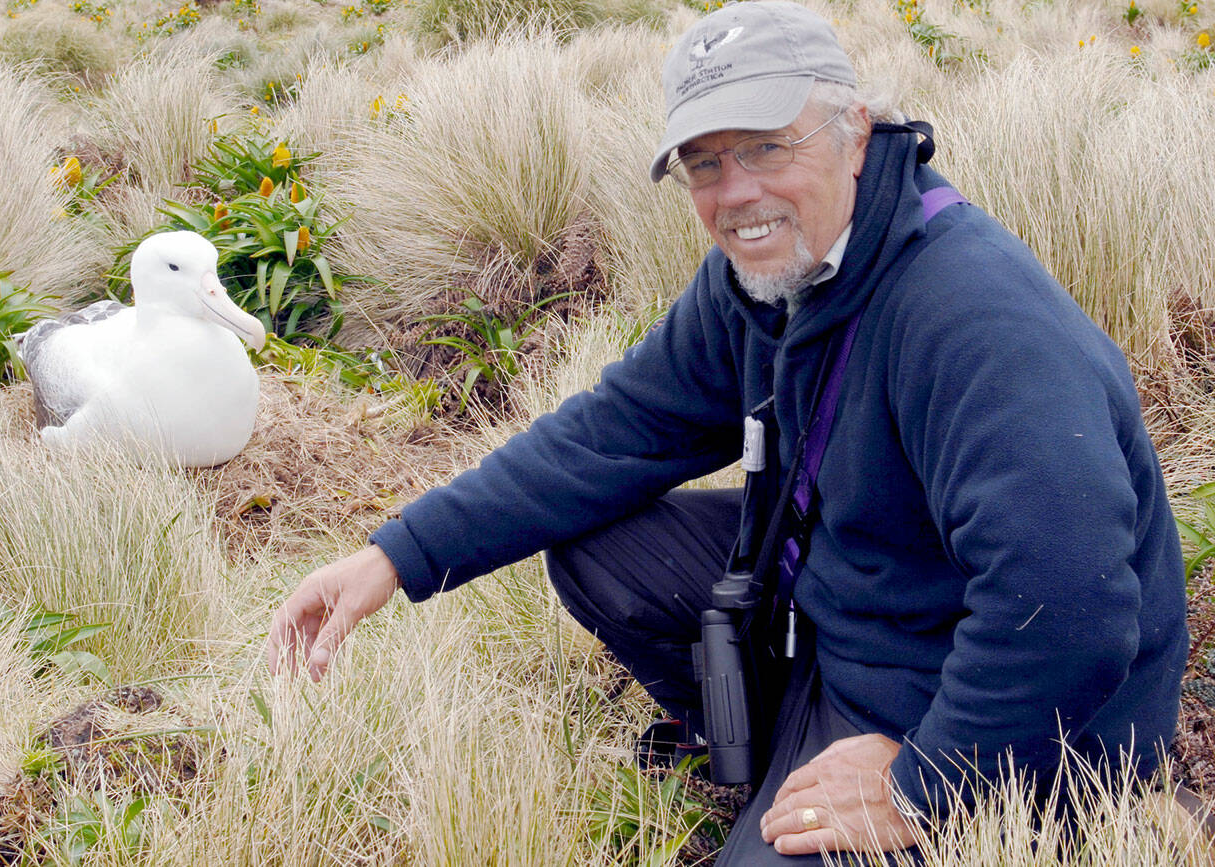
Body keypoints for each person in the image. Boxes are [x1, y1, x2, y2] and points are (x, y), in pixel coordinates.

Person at [266, 2, 1188, 862]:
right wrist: (396, 555)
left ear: (855, 132)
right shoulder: (765, 276)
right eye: (705, 162)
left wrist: (927, 778)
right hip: (843, 627)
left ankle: (870, 794)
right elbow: (612, 434)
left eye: (764, 146)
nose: (736, 192)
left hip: (984, 717)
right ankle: (764, 740)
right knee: (597, 541)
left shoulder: (975, 321)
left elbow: (1070, 609)